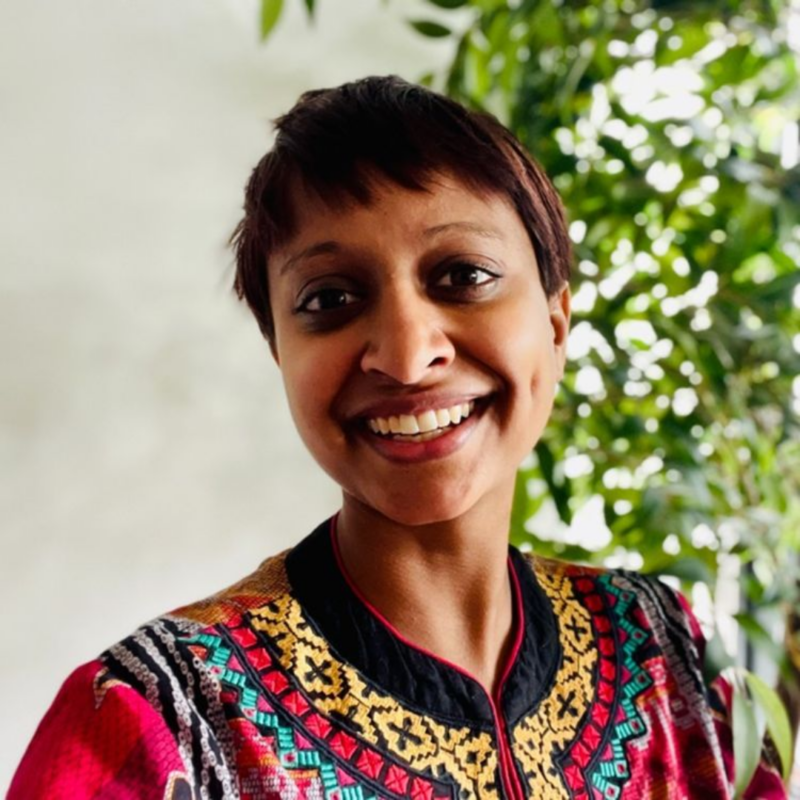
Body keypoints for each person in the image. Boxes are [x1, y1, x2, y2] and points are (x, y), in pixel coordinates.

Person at [9, 76, 786, 800]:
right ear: (281, 353)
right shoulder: (158, 718)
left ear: (555, 324)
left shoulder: (664, 653)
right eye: (330, 299)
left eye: (463, 276)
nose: (408, 357)